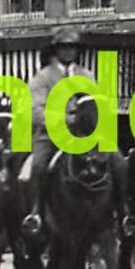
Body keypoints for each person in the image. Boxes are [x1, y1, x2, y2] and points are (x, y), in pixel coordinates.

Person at [22, 26, 87, 236]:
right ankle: (35, 212)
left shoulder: (86, 75)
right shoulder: (42, 77)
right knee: (39, 165)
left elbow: (98, 103)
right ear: (56, 51)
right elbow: (35, 111)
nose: (69, 52)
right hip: (50, 136)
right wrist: (66, 119)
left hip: (83, 135)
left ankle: (121, 213)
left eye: (73, 48)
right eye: (64, 48)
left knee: (115, 161)